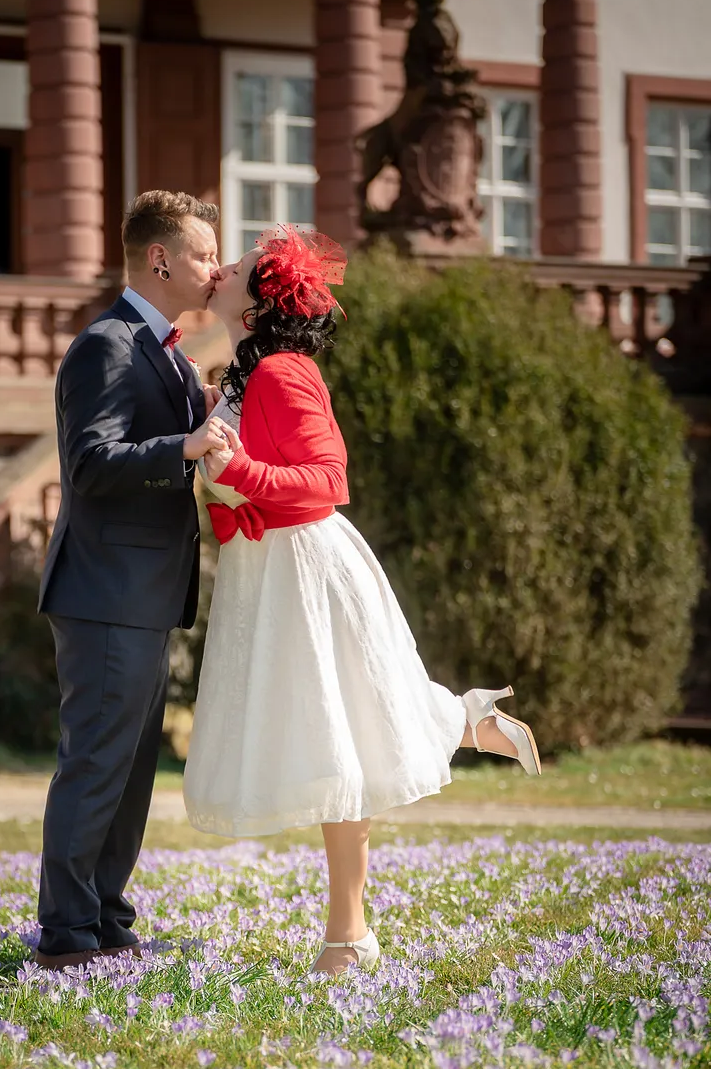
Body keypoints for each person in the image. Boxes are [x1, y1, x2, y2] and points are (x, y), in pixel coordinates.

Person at [184, 227, 541, 977]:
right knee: (324, 743)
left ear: (260, 300)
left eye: (238, 265)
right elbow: (234, 485)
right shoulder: (237, 379)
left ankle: (348, 938)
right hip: (264, 573)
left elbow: (327, 483)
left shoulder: (284, 371)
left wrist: (240, 473)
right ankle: (465, 718)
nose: (220, 269)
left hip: (309, 571)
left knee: (335, 744)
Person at [33, 190, 227, 972]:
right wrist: (180, 448)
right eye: (205, 255)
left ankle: (107, 918)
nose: (215, 269)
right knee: (96, 762)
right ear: (161, 260)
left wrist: (202, 415)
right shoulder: (106, 346)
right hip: (106, 593)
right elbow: (88, 463)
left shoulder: (172, 355)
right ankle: (67, 935)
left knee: (130, 769)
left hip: (142, 595)